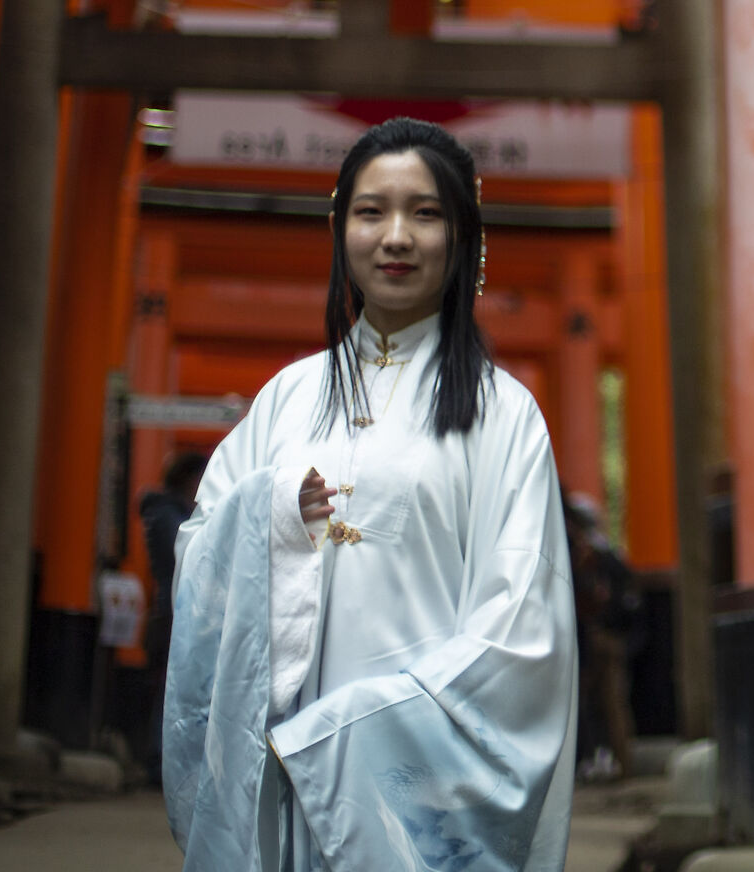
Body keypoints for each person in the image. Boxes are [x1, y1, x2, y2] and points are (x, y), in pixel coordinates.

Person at [165, 117, 577, 871]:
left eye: (425, 213)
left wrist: (350, 736)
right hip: (280, 774)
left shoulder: (504, 416)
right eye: (370, 212)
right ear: (337, 227)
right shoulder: (285, 399)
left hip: (408, 790)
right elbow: (198, 554)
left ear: (463, 237)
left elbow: (521, 630)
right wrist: (269, 517)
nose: (396, 237)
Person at [136, 449, 207, 775]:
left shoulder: (166, 513)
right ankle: (158, 759)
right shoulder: (169, 515)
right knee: (169, 685)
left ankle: (161, 757)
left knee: (170, 685)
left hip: (173, 610)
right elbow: (188, 556)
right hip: (172, 613)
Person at [564, 491, 640, 783]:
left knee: (608, 703)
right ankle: (604, 762)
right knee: (600, 705)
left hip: (601, 640)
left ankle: (618, 765)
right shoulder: (602, 556)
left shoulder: (596, 559)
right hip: (598, 639)